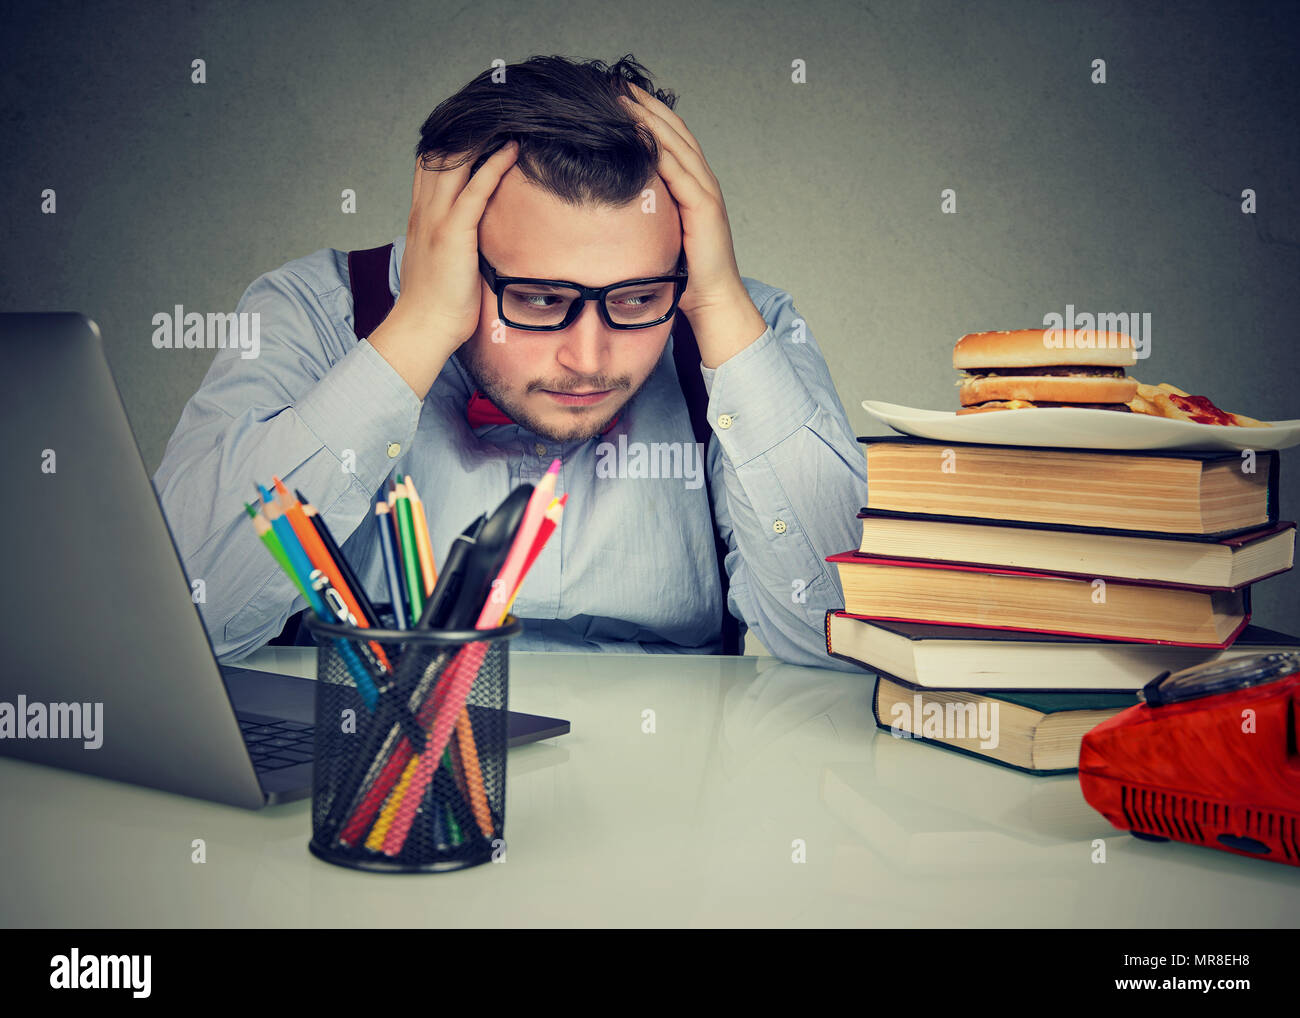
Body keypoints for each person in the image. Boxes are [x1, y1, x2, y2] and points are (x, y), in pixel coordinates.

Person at [153, 54, 868, 669]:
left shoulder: (737, 327)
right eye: (537, 299)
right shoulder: (312, 310)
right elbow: (179, 622)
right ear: (455, 258)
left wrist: (719, 311)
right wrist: (419, 329)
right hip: (382, 784)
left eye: (637, 297)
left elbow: (839, 639)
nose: (589, 359)